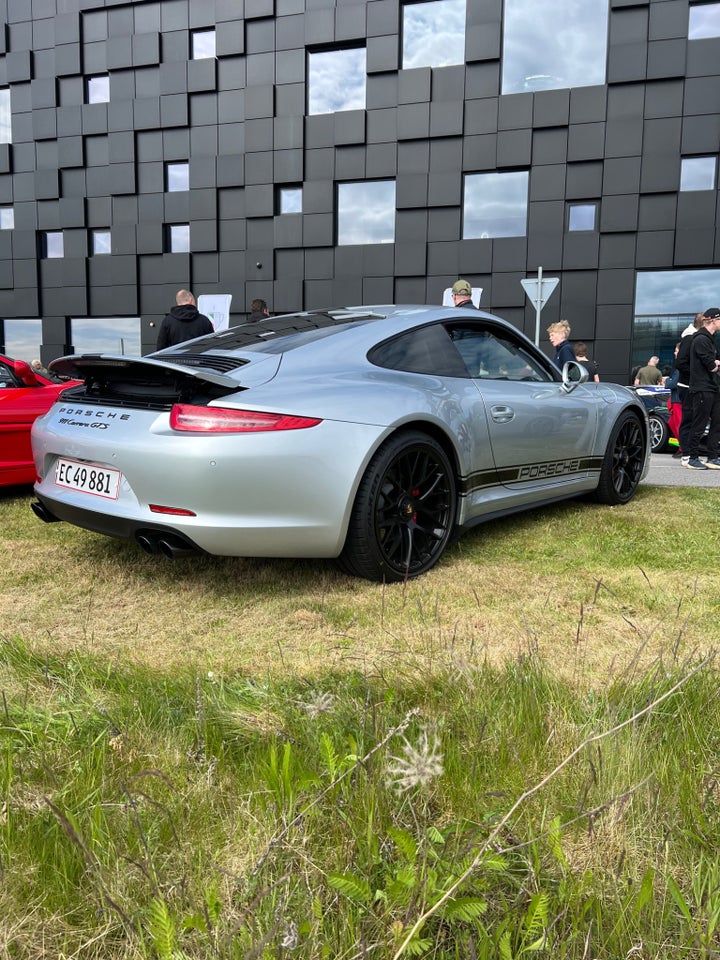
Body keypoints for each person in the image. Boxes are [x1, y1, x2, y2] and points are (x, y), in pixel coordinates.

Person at [684, 307, 720, 470]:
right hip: (702, 388)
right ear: (713, 320)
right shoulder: (700, 339)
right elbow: (711, 365)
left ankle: (712, 457)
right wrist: (716, 364)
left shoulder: (709, 339)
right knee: (699, 423)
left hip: (712, 387)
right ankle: (692, 457)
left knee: (716, 422)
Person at [675, 312, 705, 461]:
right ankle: (686, 454)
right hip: (687, 385)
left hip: (692, 384)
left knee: (692, 420)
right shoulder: (690, 338)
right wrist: (696, 375)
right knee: (688, 420)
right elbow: (680, 362)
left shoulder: (694, 337)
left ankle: (689, 453)